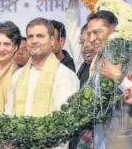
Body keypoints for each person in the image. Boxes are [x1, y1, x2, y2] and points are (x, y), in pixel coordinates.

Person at [5, 17, 80, 149]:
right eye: (30, 37)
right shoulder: (17, 76)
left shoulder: (65, 76)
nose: (34, 41)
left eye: (40, 36)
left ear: (52, 41)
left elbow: (63, 126)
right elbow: (9, 115)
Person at [86, 10, 132, 149]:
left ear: (113, 31)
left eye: (97, 32)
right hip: (99, 140)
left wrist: (119, 79)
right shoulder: (96, 61)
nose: (92, 39)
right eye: (89, 34)